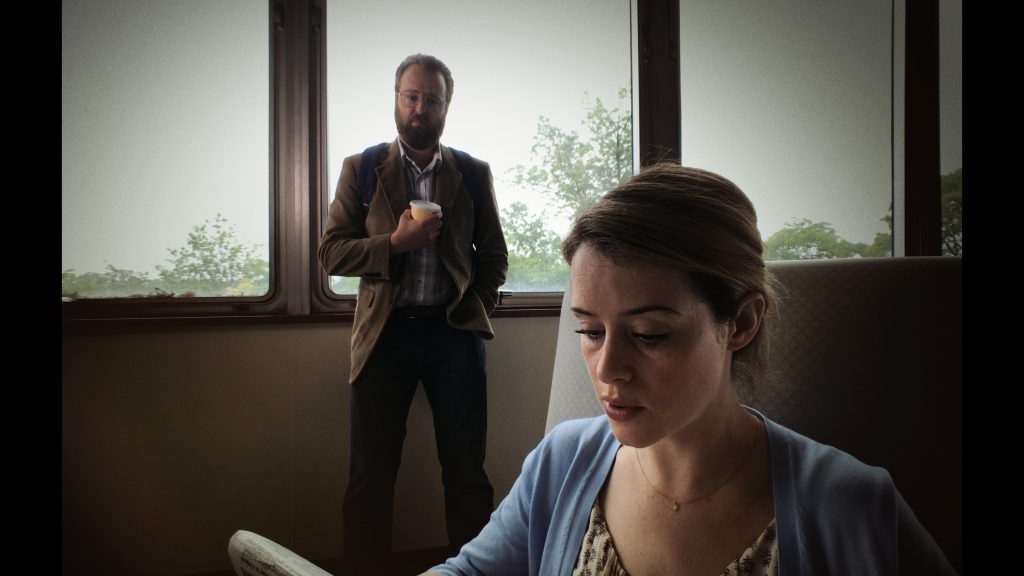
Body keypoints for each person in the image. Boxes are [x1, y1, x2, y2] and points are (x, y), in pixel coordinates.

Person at [425, 164, 956, 575]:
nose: (608, 368)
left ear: (741, 323)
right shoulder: (561, 463)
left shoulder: (851, 507)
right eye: (589, 331)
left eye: (650, 335)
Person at [318, 53, 508, 568]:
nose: (420, 108)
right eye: (412, 96)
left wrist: (474, 305)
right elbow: (331, 253)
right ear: (397, 99)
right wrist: (396, 243)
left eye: (432, 99)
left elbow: (494, 256)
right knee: (371, 475)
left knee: (467, 473)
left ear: (447, 105)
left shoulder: (471, 172)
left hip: (454, 335)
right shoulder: (362, 169)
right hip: (385, 336)